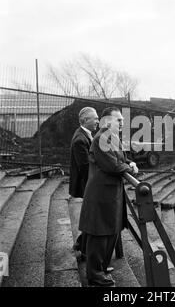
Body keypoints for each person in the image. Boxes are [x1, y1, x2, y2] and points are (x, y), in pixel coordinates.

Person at [79, 106, 138, 287]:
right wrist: (130, 168)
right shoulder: (102, 138)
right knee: (99, 234)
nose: (122, 123)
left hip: (110, 193)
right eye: (118, 120)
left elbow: (121, 159)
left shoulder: (112, 137)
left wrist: (130, 163)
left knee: (109, 232)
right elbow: (112, 166)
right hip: (101, 194)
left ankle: (102, 268)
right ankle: (95, 276)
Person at [69, 107, 99, 259]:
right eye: (95, 118)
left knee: (91, 217)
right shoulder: (80, 140)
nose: (98, 121)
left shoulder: (85, 135)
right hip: (87, 185)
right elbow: (86, 168)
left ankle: (82, 245)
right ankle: (85, 250)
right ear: (85, 121)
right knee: (92, 218)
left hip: (88, 185)